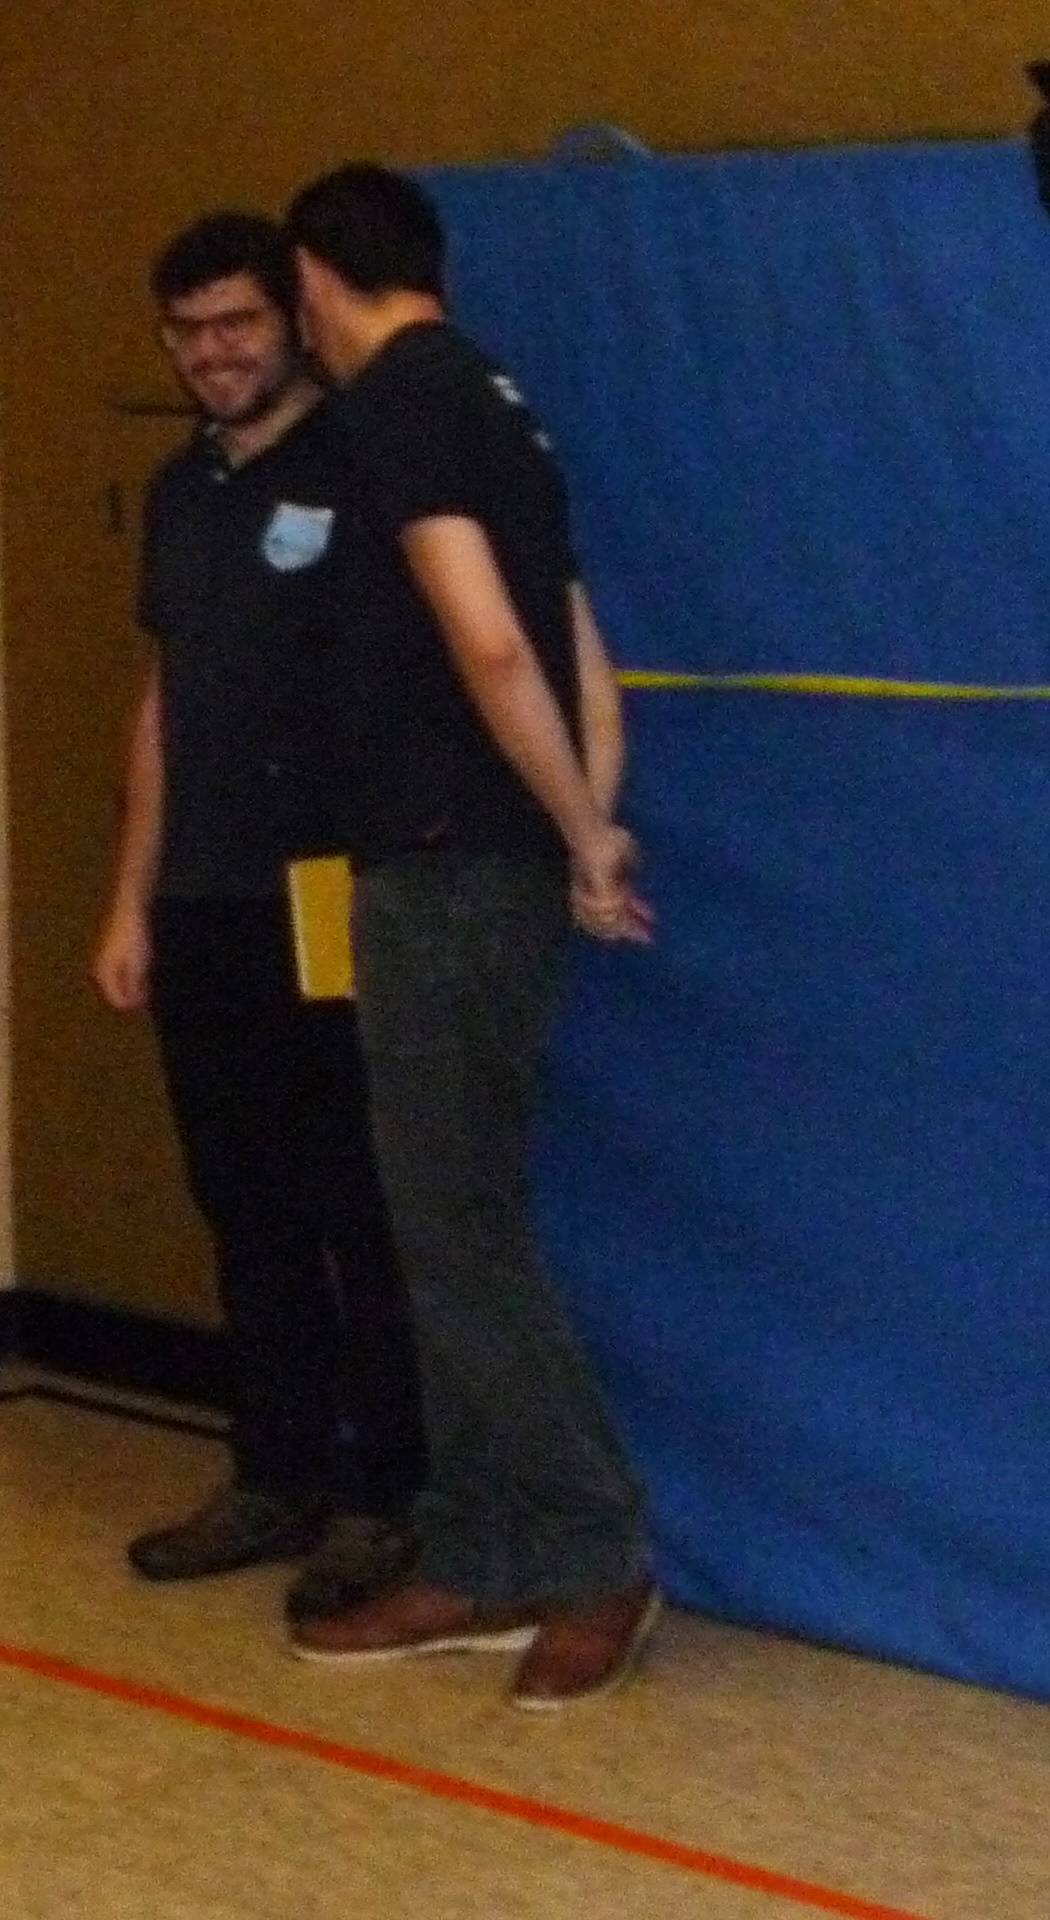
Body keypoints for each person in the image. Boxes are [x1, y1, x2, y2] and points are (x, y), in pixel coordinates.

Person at [275, 163, 658, 1709]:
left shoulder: (397, 405)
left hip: (443, 871)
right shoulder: (503, 403)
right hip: (495, 861)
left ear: (315, 278)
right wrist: (589, 828)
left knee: (456, 1227)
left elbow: (496, 643)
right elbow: (581, 653)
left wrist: (575, 833)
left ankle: (594, 1548)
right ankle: (481, 1550)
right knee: (450, 1221)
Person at [95, 212, 426, 1624]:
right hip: (205, 897)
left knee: (359, 1194)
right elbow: (165, 704)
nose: (212, 353)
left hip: (335, 893)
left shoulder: (363, 463)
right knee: (243, 1197)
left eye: (236, 323)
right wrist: (131, 901)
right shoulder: (184, 490)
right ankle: (274, 1470)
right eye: (187, 332)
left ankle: (385, 1495)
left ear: (293, 319)